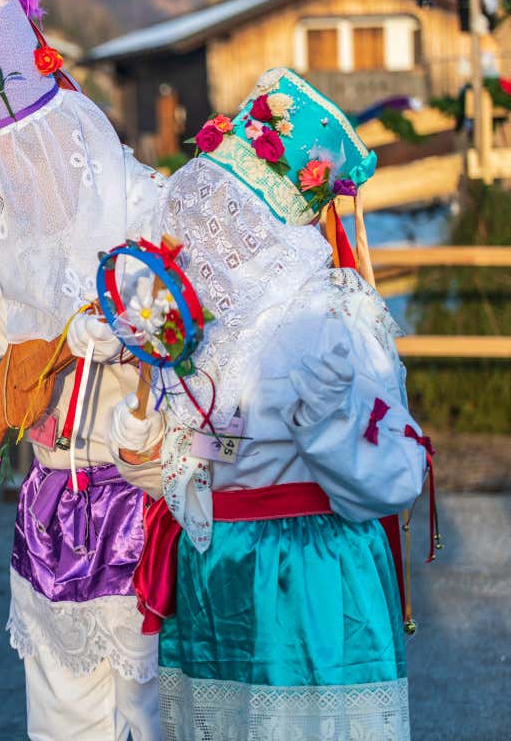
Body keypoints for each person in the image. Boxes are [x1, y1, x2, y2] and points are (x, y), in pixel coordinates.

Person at [0, 0, 166, 741]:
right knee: (59, 717)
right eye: (4, 174)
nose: (25, 189)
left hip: (144, 502)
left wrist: (136, 331)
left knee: (154, 710)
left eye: (37, 160)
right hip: (50, 506)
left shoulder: (153, 209)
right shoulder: (23, 268)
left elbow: (210, 324)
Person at [140, 68, 426, 740]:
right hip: (307, 576)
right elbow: (388, 479)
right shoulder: (326, 315)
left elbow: (214, 446)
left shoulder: (189, 325)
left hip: (217, 566)